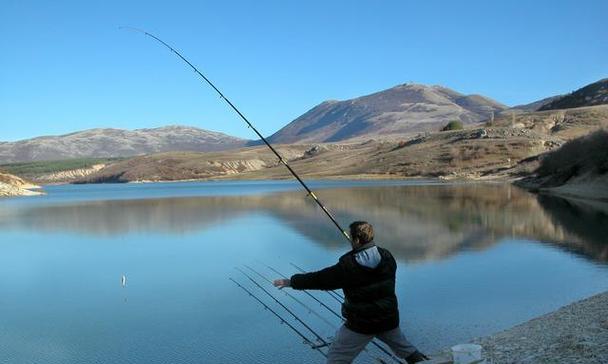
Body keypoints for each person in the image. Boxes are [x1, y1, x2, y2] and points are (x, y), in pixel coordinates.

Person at [273, 221, 429, 364]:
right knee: (406, 349)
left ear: (356, 240)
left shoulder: (348, 265)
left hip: (361, 323)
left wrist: (291, 282)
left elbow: (320, 279)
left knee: (337, 357)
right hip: (388, 318)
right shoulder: (387, 256)